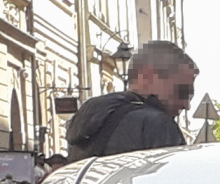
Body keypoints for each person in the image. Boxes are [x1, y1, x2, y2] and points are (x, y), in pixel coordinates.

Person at [68, 41, 198, 157]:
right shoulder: (158, 124)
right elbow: (172, 181)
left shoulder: (86, 117)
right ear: (147, 76)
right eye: (183, 91)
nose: (186, 105)